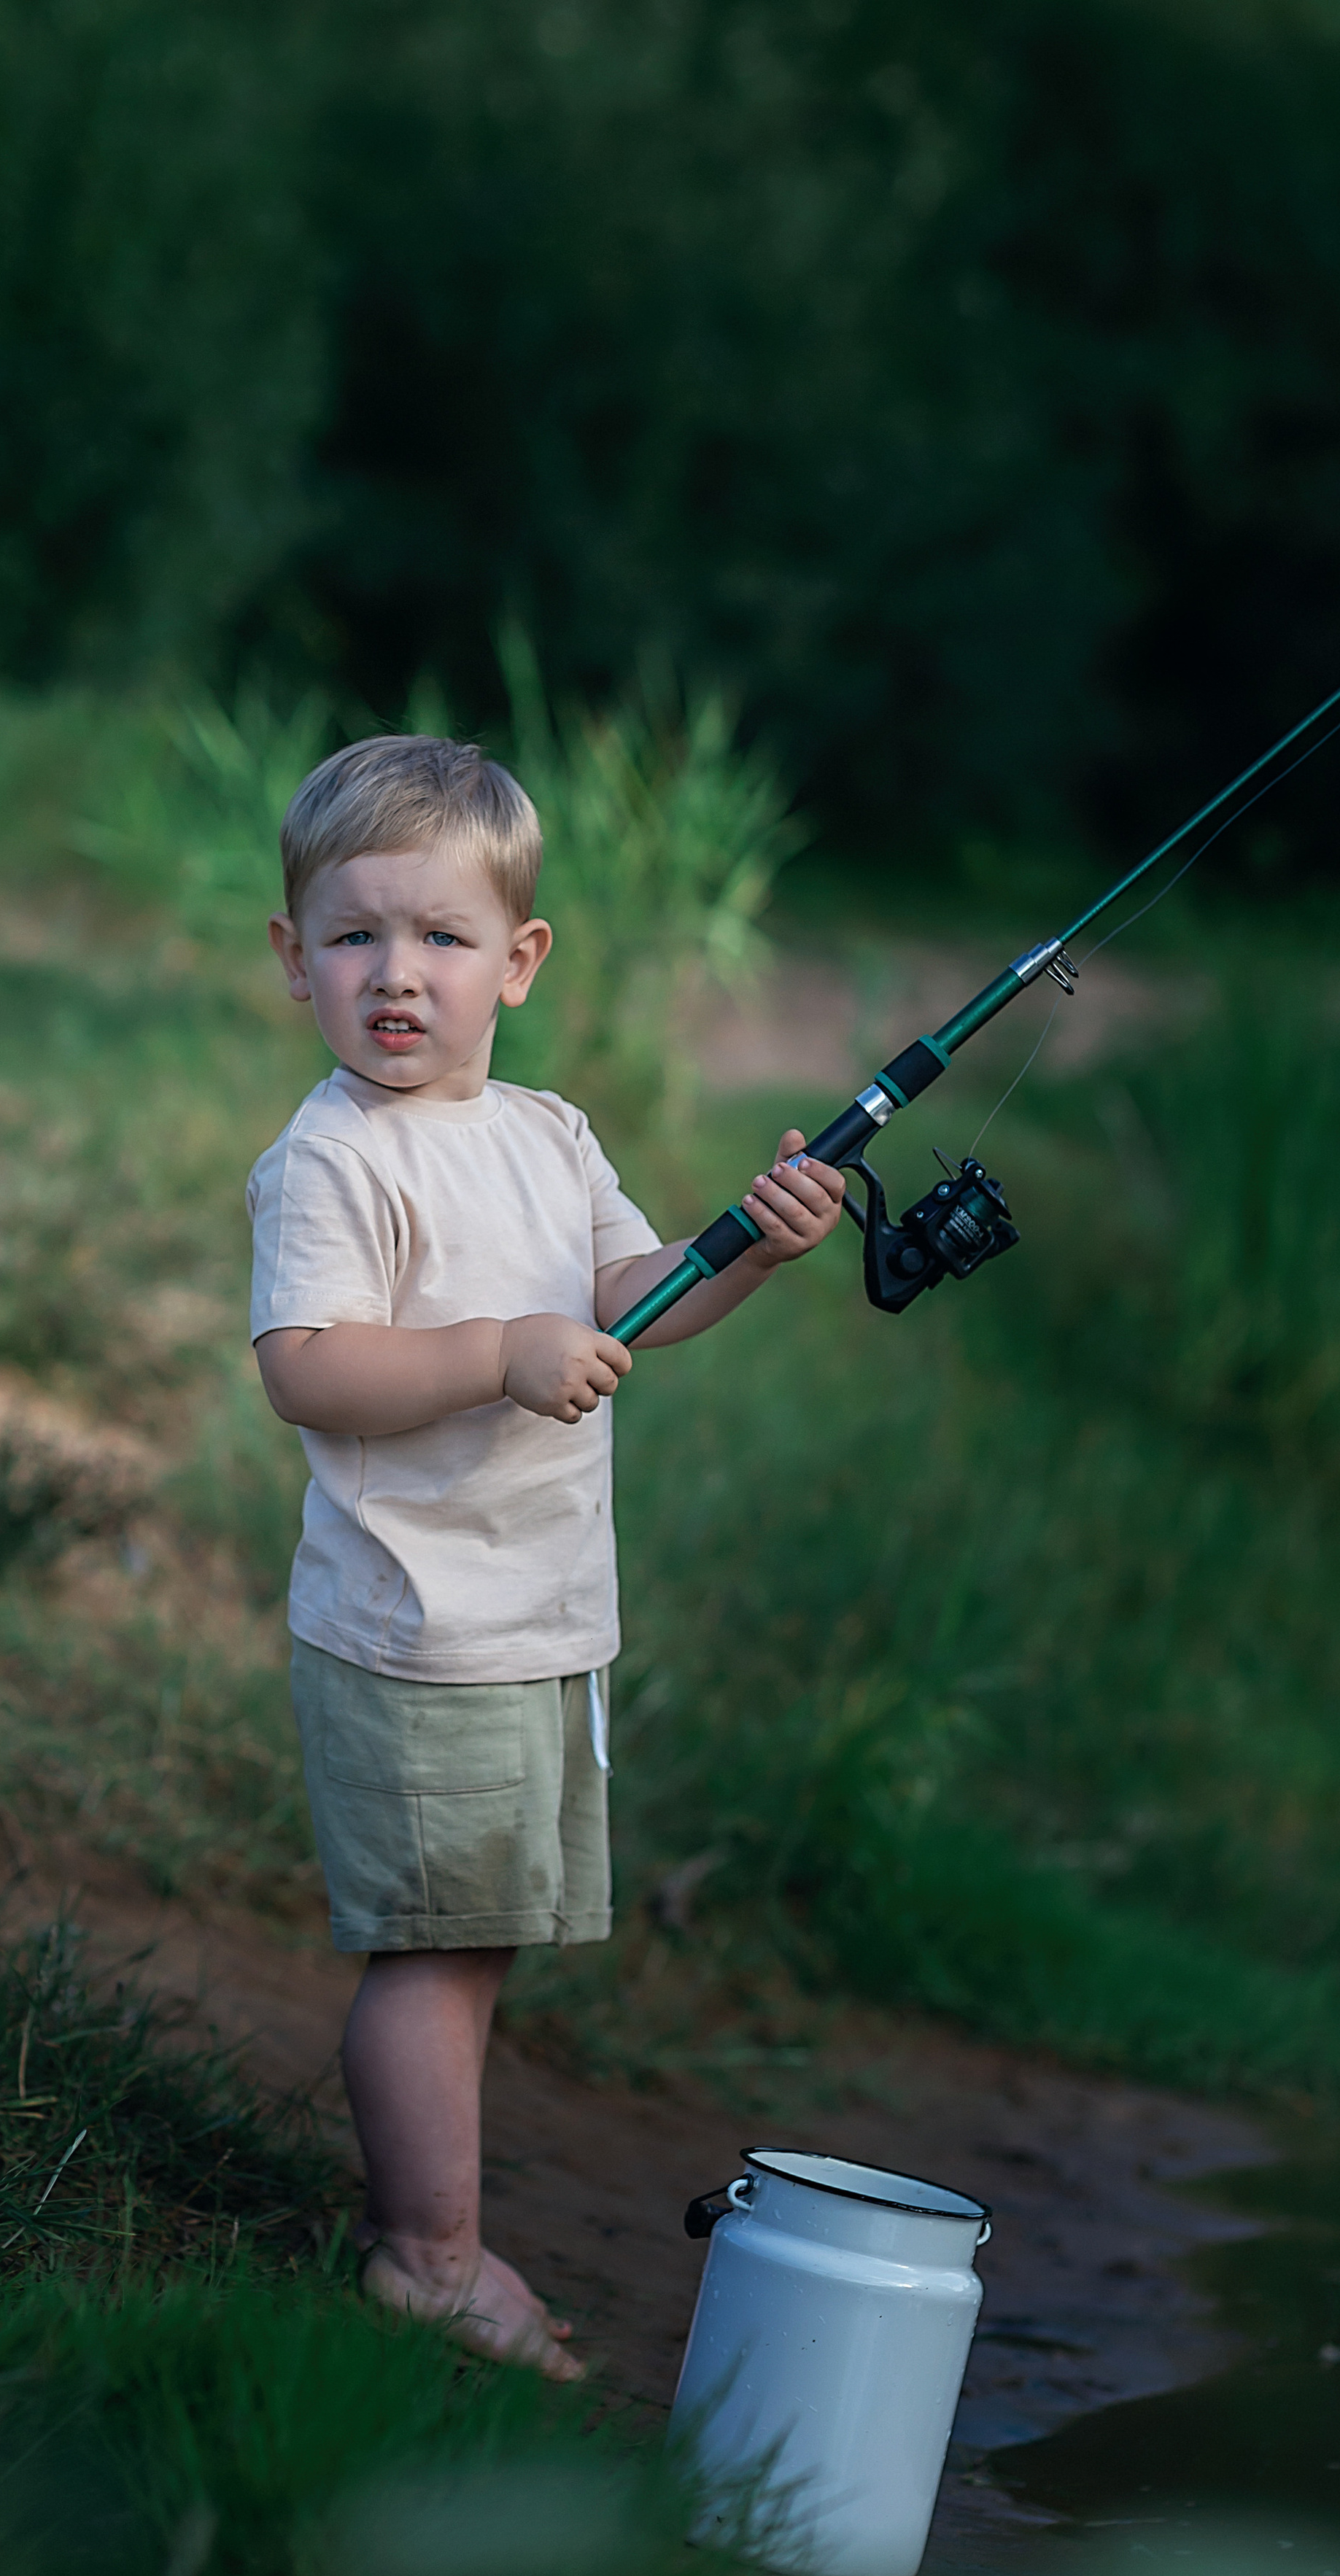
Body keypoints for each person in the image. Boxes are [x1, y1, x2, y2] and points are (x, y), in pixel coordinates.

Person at [246, 733, 843, 2379]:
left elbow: (635, 1298)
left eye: (440, 938)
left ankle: (433, 2230)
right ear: (293, 958)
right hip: (415, 1628)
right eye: (354, 935)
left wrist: (753, 1245)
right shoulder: (333, 1158)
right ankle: (425, 2258)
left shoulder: (545, 1130)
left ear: (517, 961)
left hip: (532, 1625)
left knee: (472, 1941)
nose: (395, 973)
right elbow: (305, 1364)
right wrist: (492, 1348)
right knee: (433, 1956)